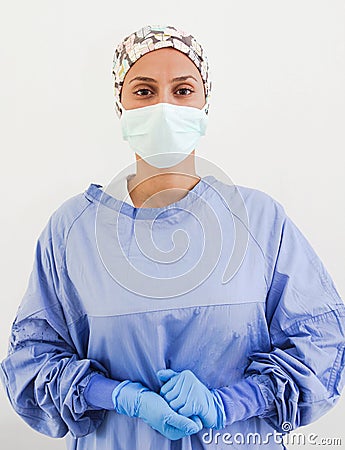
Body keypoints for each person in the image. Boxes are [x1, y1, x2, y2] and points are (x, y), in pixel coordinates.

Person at [1, 24, 345, 450]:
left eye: (182, 91)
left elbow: (322, 345)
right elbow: (31, 361)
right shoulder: (72, 233)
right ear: (120, 105)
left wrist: (228, 405)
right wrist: (118, 397)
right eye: (144, 91)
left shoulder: (259, 223)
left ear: (204, 105)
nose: (164, 106)